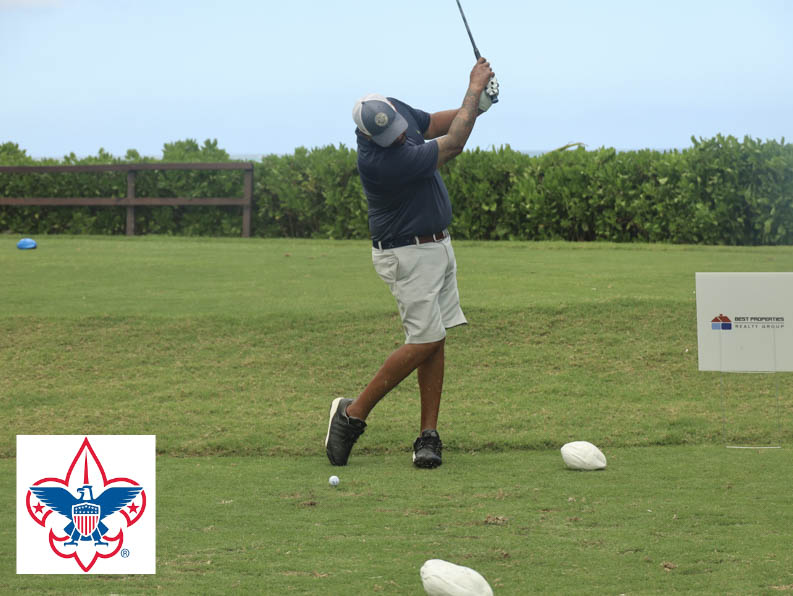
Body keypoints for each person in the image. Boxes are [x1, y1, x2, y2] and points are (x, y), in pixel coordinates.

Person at [325, 57, 496, 469]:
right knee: (424, 340)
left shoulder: (394, 111)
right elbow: (453, 143)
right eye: (391, 137)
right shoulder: (380, 162)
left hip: (437, 245)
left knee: (434, 338)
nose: (401, 138)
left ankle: (428, 436)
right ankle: (352, 414)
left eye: (399, 129)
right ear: (368, 135)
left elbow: (435, 124)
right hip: (405, 254)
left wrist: (480, 105)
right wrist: (474, 88)